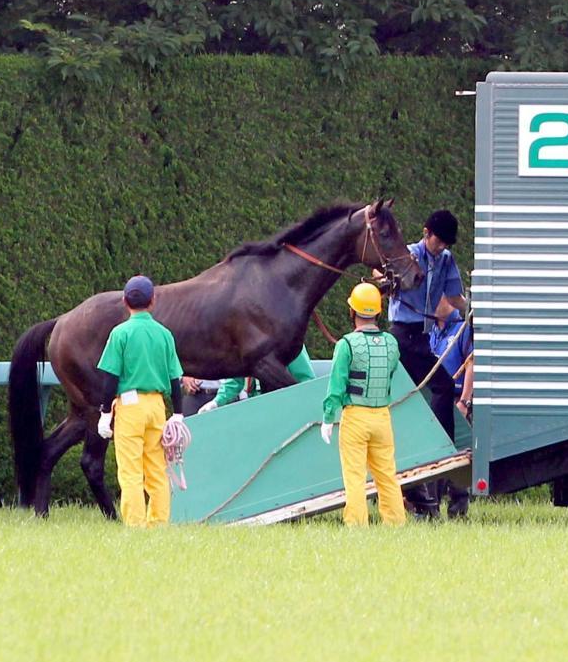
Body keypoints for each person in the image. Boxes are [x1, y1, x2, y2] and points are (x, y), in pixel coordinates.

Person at [387, 209, 469, 517]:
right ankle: (439, 443)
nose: (442, 248)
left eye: (446, 244)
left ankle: (437, 443)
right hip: (402, 334)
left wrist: (473, 309)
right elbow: (386, 278)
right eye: (439, 243)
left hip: (421, 338)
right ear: (426, 233)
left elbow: (455, 296)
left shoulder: (446, 261)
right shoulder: (409, 254)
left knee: (437, 388)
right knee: (443, 386)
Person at [96, 275, 185, 527]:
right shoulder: (164, 334)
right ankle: (158, 523)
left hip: (129, 407)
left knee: (131, 471)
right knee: (157, 470)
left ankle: (135, 525)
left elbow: (110, 377)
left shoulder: (120, 333)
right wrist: (177, 413)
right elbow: (175, 378)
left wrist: (105, 413)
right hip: (157, 406)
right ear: (153, 301)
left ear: (125, 301)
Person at [320, 282, 405, 527]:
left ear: (352, 312)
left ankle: (357, 525)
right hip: (382, 417)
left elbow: (336, 385)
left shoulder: (345, 345)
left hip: (355, 417)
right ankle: (396, 523)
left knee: (355, 476)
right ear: (378, 312)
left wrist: (328, 417)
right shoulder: (391, 342)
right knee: (387, 474)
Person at [429, 296, 474, 518]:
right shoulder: (431, 329)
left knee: (458, 454)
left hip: (456, 398)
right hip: (436, 398)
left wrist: (465, 401)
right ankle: (432, 504)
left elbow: (472, 363)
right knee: (435, 454)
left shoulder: (462, 327)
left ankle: (458, 507)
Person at [193, 346, 315, 413]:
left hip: (285, 408)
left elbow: (306, 380)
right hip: (256, 409)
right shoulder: (246, 343)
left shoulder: (289, 341)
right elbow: (235, 380)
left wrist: (302, 407)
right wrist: (216, 402)